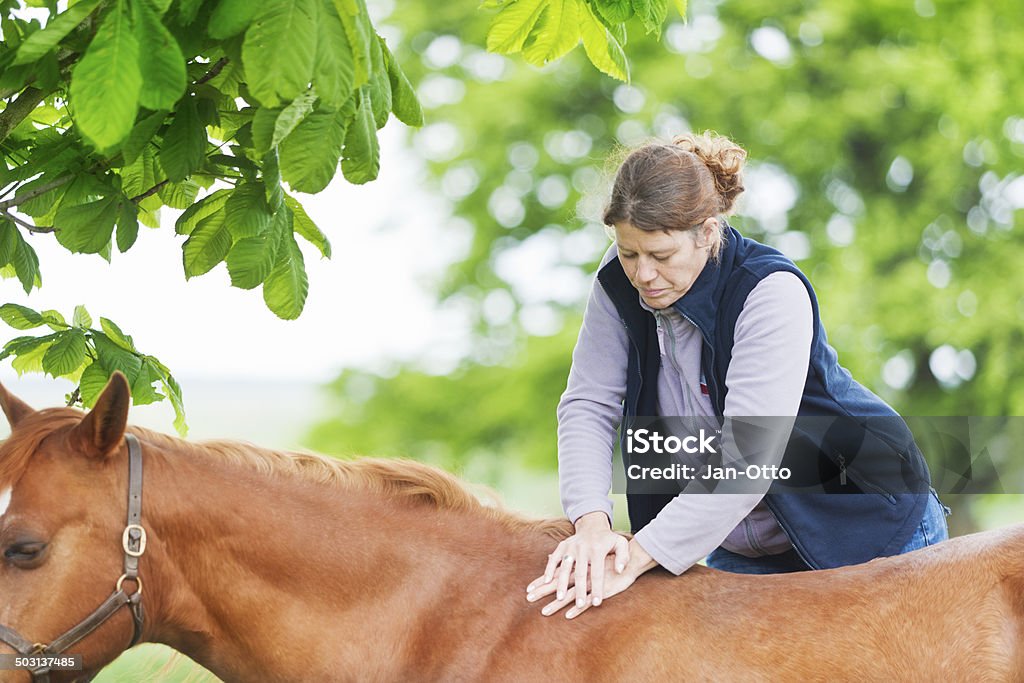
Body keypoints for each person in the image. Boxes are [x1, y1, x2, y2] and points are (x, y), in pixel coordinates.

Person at [525, 131, 949, 619]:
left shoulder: (770, 292)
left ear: (707, 232)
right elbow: (588, 404)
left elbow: (747, 460)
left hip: (861, 526)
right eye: (628, 253)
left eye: (662, 256)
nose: (643, 274)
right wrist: (592, 527)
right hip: (740, 544)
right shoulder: (620, 282)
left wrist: (638, 555)